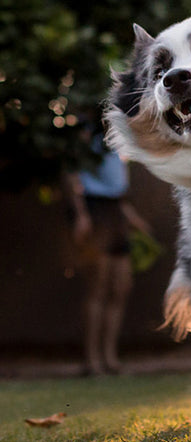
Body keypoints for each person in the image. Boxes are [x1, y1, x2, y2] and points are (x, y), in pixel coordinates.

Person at [64, 116, 150, 375]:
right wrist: (80, 214)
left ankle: (110, 358)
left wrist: (130, 216)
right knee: (98, 288)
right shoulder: (84, 132)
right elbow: (71, 172)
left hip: (115, 210)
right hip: (94, 207)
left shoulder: (117, 133)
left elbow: (117, 182)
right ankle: (92, 361)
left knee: (120, 287)